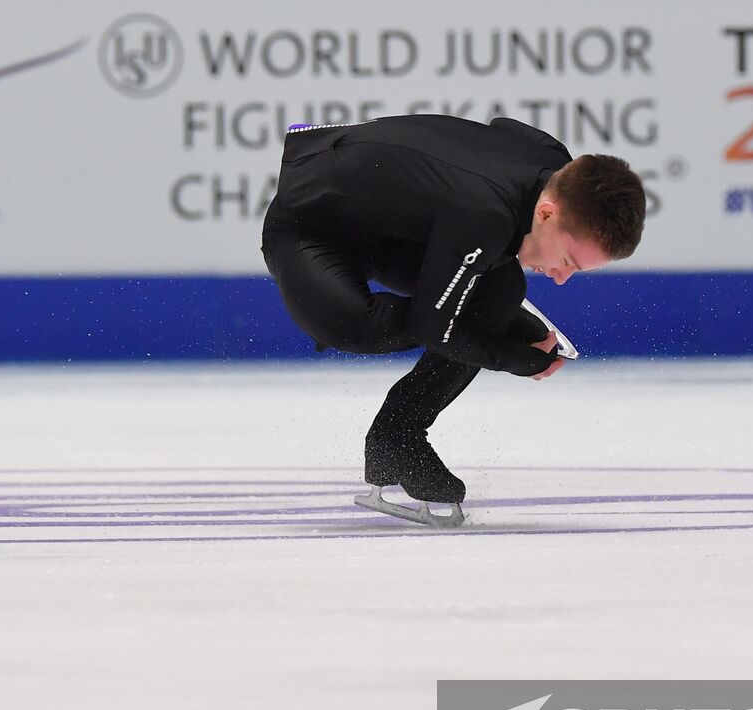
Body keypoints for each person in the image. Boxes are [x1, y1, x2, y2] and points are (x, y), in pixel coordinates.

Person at [261, 114, 646, 525]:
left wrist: (492, 327)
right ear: (548, 214)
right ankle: (477, 323)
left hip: (393, 228)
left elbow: (506, 127)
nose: (561, 277)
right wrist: (512, 357)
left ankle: (396, 436)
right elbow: (432, 328)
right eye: (567, 260)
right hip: (309, 224)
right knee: (359, 325)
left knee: (499, 290)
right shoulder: (485, 213)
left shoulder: (554, 164)